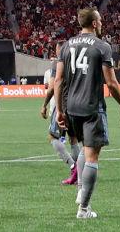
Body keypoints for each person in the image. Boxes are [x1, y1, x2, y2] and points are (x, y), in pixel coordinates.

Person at [56, 7, 120, 221]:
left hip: (71, 108)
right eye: (100, 19)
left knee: (83, 149)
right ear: (95, 23)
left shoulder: (66, 45)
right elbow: (111, 82)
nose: (102, 22)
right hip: (91, 107)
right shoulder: (102, 47)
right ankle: (84, 209)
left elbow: (59, 80)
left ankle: (81, 190)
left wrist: (60, 110)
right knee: (92, 156)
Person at [41, 56, 80, 185]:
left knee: (52, 137)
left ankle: (74, 167)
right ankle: (78, 173)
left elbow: (52, 86)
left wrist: (44, 104)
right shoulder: (75, 60)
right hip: (76, 105)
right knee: (73, 138)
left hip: (62, 105)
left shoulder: (58, 63)